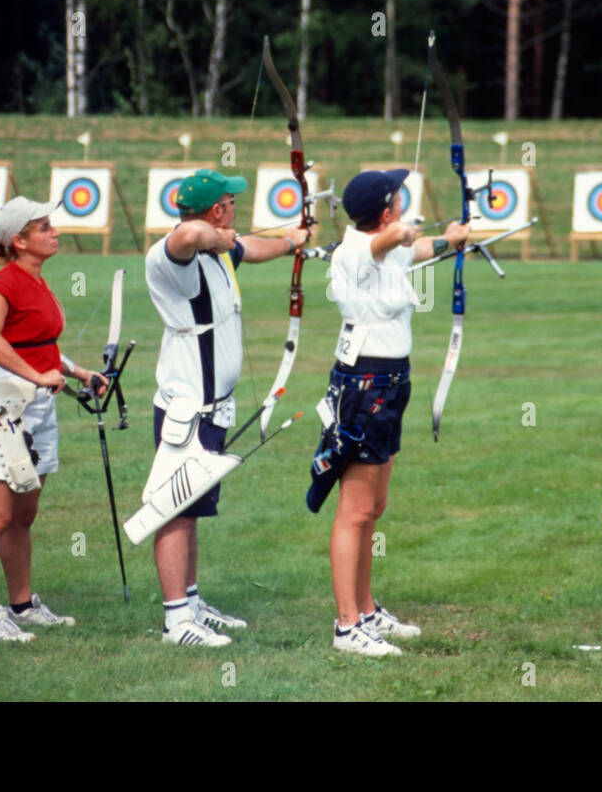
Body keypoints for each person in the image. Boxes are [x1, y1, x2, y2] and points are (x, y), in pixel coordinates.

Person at [144, 168, 308, 648]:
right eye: (230, 204)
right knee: (175, 511)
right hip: (186, 409)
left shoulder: (217, 251)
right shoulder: (173, 256)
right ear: (217, 211)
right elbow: (190, 233)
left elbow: (252, 249)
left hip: (212, 409)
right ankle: (176, 621)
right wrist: (214, 235)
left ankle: (191, 602)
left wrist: (292, 241)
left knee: (192, 511)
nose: (236, 209)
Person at [312, 169, 469, 657]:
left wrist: (450, 239)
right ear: (384, 213)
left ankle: (365, 608)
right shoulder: (355, 250)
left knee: (373, 508)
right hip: (365, 386)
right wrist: (403, 230)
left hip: (389, 382)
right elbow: (392, 242)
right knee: (355, 511)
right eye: (397, 199)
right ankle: (346, 627)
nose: (403, 203)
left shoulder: (383, 245)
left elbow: (414, 250)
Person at [0, 197, 106, 642]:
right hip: (3, 405)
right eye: (43, 227)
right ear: (18, 241)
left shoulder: (38, 281)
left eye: (51, 225)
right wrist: (36, 375)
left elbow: (37, 343)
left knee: (24, 514)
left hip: (37, 403)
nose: (54, 231)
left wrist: (77, 371)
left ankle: (22, 605)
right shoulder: (1, 284)